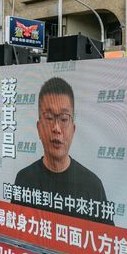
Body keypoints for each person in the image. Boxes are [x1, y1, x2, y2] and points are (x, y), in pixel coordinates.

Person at [14, 77, 113, 225]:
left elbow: (106, 240)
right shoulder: (24, 179)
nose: (56, 128)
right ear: (39, 128)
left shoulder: (93, 185)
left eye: (64, 119)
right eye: (49, 118)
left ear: (73, 130)